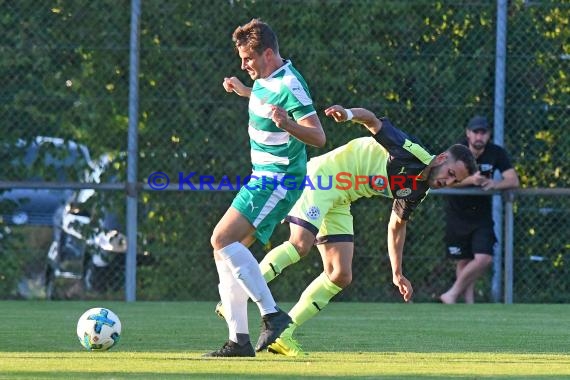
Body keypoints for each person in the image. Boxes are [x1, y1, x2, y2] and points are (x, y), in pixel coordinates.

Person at [217, 104, 477, 356]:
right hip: (324, 178)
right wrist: (349, 114)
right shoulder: (412, 153)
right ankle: (237, 293)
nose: (449, 181)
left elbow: (397, 224)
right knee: (300, 243)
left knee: (340, 274)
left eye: (456, 180)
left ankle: (282, 334)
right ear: (442, 159)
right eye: (451, 172)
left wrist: (397, 272)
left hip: (342, 197)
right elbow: (373, 121)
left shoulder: (420, 189)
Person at [203, 19, 325, 358]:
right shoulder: (264, 78)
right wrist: (244, 90)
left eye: (248, 59)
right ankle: (239, 341)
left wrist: (287, 123)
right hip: (262, 177)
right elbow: (263, 98)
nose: (244, 65)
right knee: (226, 253)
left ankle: (272, 315)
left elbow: (318, 136)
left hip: (279, 179)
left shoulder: (291, 84)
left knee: (220, 239)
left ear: (268, 53)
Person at [439, 115, 519, 304]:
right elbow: (443, 181)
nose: (479, 137)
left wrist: (494, 183)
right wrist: (471, 181)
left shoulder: (495, 153)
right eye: (475, 132)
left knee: (484, 258)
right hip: (457, 213)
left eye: (483, 133)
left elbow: (513, 180)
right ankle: (469, 304)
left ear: (489, 135)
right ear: (468, 133)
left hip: (481, 216)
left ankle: (451, 293)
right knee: (464, 260)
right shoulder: (456, 152)